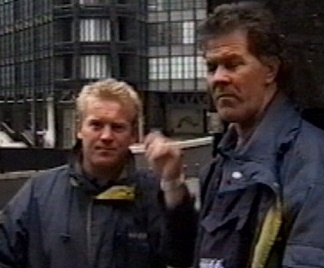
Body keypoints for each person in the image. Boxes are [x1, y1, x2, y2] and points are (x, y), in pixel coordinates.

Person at [0, 79, 197, 268]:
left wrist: (173, 184)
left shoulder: (153, 194)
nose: (106, 136)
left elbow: (184, 255)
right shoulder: (38, 194)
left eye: (117, 127)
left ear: (134, 134)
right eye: (96, 125)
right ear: (79, 128)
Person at [193, 2, 324, 267]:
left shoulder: (311, 163)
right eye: (211, 67)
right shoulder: (218, 166)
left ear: (270, 71)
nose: (219, 78)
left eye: (232, 64)